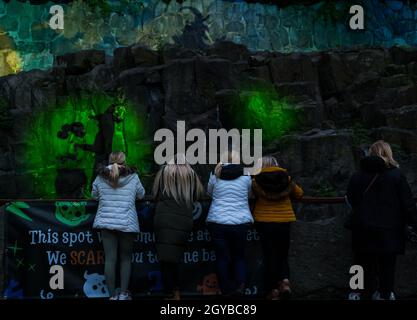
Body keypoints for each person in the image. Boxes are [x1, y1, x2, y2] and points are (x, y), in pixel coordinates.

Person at [346, 140, 417, 300]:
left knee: (359, 262)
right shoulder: (396, 176)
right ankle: (384, 293)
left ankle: (356, 292)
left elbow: (350, 199)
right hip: (389, 229)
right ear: (388, 154)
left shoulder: (358, 176)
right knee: (387, 264)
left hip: (362, 228)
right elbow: (408, 204)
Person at [92, 151, 145, 300]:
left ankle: (111, 295)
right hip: (127, 223)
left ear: (109, 160)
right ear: (124, 161)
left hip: (106, 223)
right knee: (126, 259)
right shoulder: (133, 177)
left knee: (110, 259)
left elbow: (94, 195)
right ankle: (123, 294)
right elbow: (141, 195)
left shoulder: (100, 176)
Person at [152, 156, 204, 300]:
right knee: (177, 257)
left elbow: (155, 194)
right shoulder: (190, 174)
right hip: (184, 218)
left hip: (163, 218)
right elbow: (199, 194)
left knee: (166, 258)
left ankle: (171, 292)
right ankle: (177, 291)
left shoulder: (164, 173)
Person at [252, 155, 303, 300]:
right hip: (284, 221)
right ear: (276, 164)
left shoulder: (256, 181)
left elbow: (250, 196)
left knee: (269, 256)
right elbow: (300, 194)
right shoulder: (286, 179)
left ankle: (272, 290)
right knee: (282, 255)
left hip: (264, 222)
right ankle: (285, 282)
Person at [206, 150, 253, 296]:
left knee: (222, 257)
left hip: (218, 222)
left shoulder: (215, 175)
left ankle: (225, 289)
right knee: (239, 257)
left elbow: (209, 193)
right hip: (240, 223)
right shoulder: (246, 175)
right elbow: (249, 194)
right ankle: (240, 287)